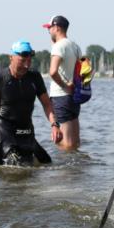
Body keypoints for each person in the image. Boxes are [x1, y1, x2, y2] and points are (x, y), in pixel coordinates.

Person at [0, 40, 62, 165]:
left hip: (26, 129)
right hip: (4, 127)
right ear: (11, 57)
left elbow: (47, 104)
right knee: (14, 159)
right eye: (23, 58)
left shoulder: (34, 77)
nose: (27, 64)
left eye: (30, 58)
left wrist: (54, 125)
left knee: (46, 163)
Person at [43, 15, 82, 150]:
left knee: (65, 141)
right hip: (74, 97)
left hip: (61, 96)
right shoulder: (75, 46)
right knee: (75, 139)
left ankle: (66, 170)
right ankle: (78, 169)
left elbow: (53, 72)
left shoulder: (59, 47)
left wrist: (64, 86)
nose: (48, 31)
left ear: (57, 28)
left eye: (50, 28)